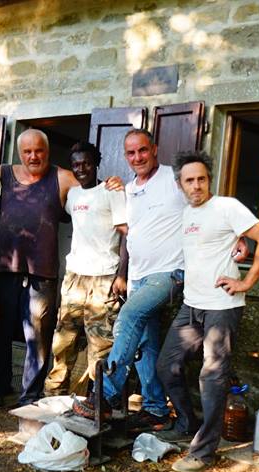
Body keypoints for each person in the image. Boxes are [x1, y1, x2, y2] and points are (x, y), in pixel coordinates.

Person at [156, 151, 259, 472]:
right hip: (191, 305)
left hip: (222, 307)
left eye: (202, 179)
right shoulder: (186, 214)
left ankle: (204, 451)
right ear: (180, 184)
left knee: (212, 376)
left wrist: (247, 281)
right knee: (166, 366)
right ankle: (188, 424)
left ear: (210, 180)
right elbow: (219, 239)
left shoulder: (227, 206)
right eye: (189, 181)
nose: (196, 186)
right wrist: (238, 240)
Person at [72, 129, 181, 432]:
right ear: (125, 156)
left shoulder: (175, 179)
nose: (138, 158)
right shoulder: (128, 190)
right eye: (131, 153)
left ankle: (104, 395)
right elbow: (127, 234)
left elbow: (206, 203)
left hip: (169, 273)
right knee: (147, 342)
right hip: (138, 277)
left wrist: (234, 236)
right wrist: (123, 275)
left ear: (154, 149)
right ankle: (156, 409)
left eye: (143, 151)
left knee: (130, 315)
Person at [0, 129, 79, 407]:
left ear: (47, 152)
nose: (33, 156)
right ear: (19, 152)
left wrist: (113, 185)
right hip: (4, 267)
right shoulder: (0, 174)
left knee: (37, 335)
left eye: (39, 150)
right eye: (27, 151)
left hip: (42, 271)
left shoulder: (62, 177)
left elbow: (93, 196)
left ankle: (30, 394)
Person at [44, 142, 127, 397]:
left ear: (96, 163)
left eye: (87, 163)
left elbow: (126, 235)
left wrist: (122, 275)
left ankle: (96, 399)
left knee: (100, 344)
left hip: (104, 276)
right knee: (63, 339)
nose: (81, 169)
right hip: (75, 277)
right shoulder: (73, 195)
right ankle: (54, 392)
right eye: (76, 164)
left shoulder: (112, 191)